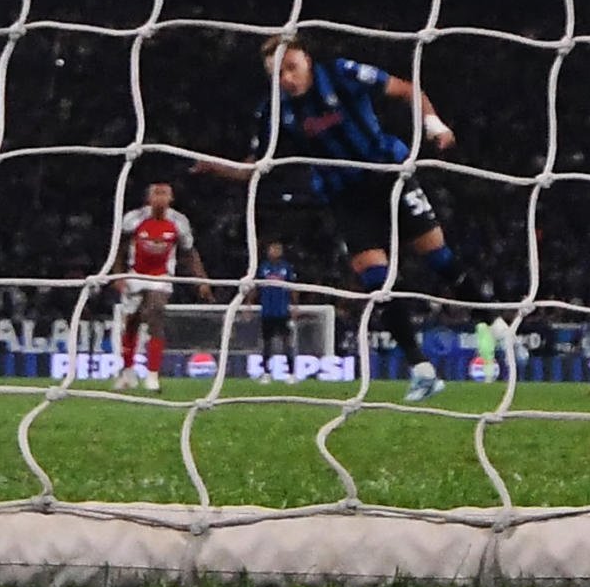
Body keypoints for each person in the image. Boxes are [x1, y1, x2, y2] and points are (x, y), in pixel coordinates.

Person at [195, 36, 466, 402]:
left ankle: (495, 322)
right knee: (377, 282)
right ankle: (422, 370)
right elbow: (253, 170)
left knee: (439, 259)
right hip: (345, 197)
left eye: (292, 68)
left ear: (307, 59)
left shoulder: (341, 74)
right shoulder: (274, 112)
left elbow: (406, 89)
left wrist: (434, 124)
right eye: (278, 75)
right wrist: (213, 166)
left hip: (388, 174)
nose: (287, 79)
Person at [109, 180, 210, 392]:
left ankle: (152, 375)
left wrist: (201, 279)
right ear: (149, 198)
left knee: (155, 313)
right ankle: (128, 372)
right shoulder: (134, 219)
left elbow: (189, 252)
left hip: (162, 277)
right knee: (132, 323)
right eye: (157, 193)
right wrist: (117, 274)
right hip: (135, 274)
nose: (161, 197)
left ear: (171, 199)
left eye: (165, 193)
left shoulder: (179, 222)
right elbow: (120, 246)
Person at [255, 239, 297, 358]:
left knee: (286, 341)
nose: (275, 251)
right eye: (273, 249)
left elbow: (293, 287)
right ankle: (266, 371)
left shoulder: (286, 267)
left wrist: (295, 305)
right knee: (267, 342)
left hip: (283, 310)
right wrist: (249, 302)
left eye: (278, 249)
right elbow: (256, 286)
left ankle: (290, 372)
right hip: (267, 310)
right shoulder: (263, 267)